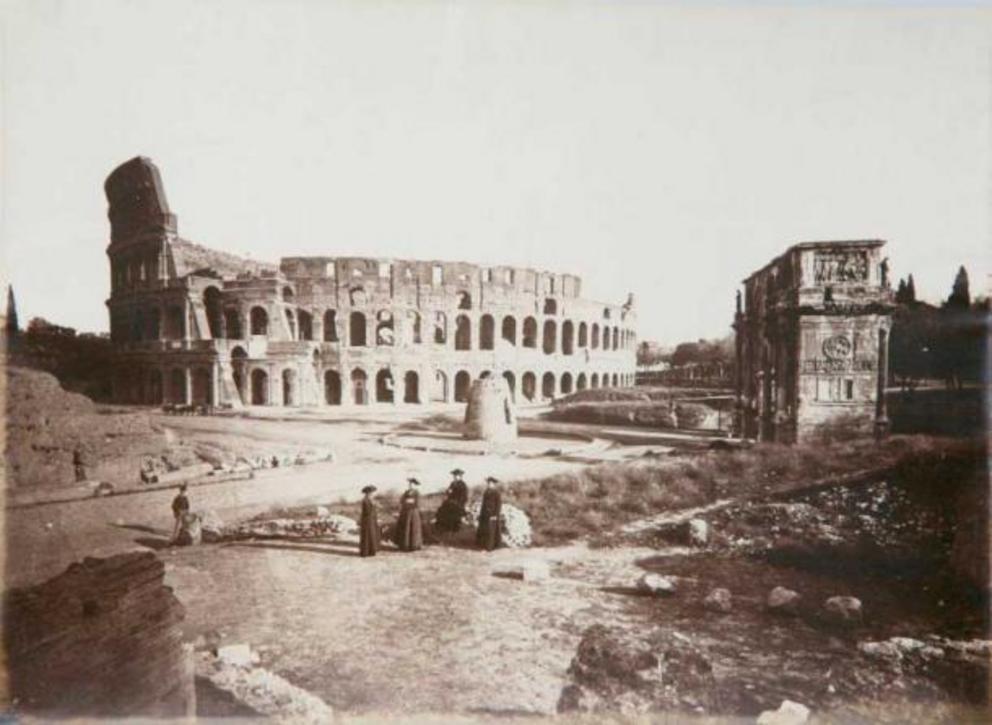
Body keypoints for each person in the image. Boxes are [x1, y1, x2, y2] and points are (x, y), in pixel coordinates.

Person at [434, 468, 469, 533]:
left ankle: (454, 528)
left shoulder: (462, 484)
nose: (455, 477)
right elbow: (448, 492)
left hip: (459, 502)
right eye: (454, 475)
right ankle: (443, 527)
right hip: (451, 501)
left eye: (457, 475)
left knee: (453, 510)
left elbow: (464, 496)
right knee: (443, 508)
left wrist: (457, 501)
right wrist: (448, 492)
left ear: (460, 476)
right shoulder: (452, 483)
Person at [393, 478, 423, 552]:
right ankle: (404, 544)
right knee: (405, 527)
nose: (410, 485)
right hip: (405, 512)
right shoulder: (406, 492)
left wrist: (408, 502)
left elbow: (417, 503)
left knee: (413, 528)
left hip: (413, 512)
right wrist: (406, 502)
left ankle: (413, 545)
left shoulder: (416, 492)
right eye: (409, 484)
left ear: (415, 485)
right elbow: (402, 500)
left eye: (412, 484)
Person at [476, 476, 502, 551]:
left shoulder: (496, 493)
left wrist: (495, 515)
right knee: (485, 530)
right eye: (488, 483)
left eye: (491, 483)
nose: (489, 484)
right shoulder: (486, 492)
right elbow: (483, 504)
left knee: (491, 532)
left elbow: (498, 505)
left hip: (492, 514)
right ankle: (483, 545)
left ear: (494, 484)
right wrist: (481, 513)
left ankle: (489, 548)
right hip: (485, 514)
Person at [359, 485, 380, 557]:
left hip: (371, 519)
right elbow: (367, 511)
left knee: (372, 534)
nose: (372, 494)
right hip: (367, 520)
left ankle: (371, 551)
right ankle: (366, 552)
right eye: (371, 493)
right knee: (367, 535)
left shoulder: (370, 500)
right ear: (367, 493)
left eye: (372, 493)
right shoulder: (365, 500)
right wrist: (374, 506)